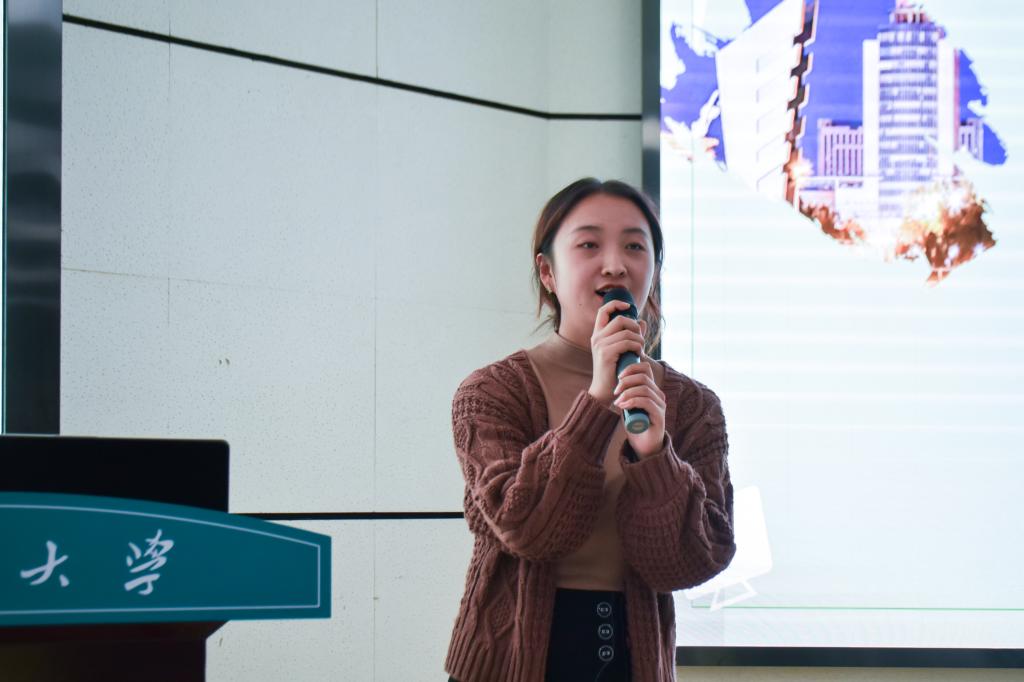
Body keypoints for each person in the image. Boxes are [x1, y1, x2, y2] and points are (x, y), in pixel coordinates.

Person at [444, 178, 736, 682]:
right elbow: (528, 530)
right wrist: (597, 402)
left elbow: (694, 560)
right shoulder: (491, 393)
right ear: (547, 272)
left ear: (655, 271)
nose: (615, 264)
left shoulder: (693, 407)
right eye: (588, 245)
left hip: (633, 663)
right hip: (506, 667)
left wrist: (655, 456)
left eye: (635, 247)